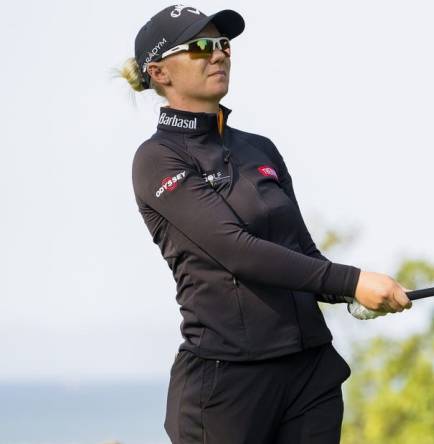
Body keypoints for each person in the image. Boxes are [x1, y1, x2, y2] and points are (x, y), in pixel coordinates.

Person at [119, 5, 412, 443]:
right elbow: (235, 250)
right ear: (159, 73)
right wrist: (353, 281)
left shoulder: (260, 149)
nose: (218, 55)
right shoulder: (157, 159)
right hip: (226, 386)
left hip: (309, 373)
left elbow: (303, 255)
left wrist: (355, 293)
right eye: (200, 47)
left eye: (223, 45)